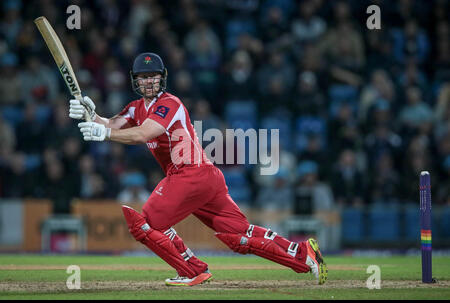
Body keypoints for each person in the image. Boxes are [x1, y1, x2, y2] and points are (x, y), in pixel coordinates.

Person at [69, 52, 327, 286]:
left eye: (153, 76)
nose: (149, 82)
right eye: (143, 77)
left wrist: (103, 133)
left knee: (146, 224)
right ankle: (304, 254)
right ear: (135, 80)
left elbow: (142, 134)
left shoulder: (168, 104)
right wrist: (91, 114)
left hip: (189, 173)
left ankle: (192, 270)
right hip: (205, 177)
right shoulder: (136, 108)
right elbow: (112, 123)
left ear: (162, 79)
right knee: (238, 236)